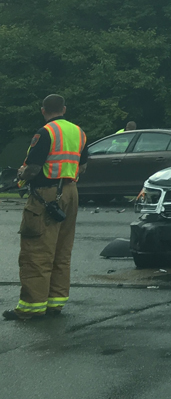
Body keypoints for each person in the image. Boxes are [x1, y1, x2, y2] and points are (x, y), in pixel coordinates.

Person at [4, 94, 88, 321]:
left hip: (46, 196)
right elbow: (83, 165)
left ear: (43, 110)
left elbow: (32, 168)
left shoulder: (45, 133)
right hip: (71, 192)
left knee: (37, 251)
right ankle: (55, 302)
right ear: (64, 109)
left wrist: (19, 176)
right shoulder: (79, 132)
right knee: (62, 249)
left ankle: (31, 307)